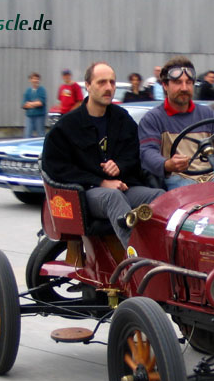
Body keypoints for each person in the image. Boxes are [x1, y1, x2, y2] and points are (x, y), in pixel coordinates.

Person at [42, 62, 164, 249]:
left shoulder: (122, 118)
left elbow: (135, 154)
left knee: (160, 197)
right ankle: (138, 258)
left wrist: (120, 166)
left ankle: (166, 252)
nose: (108, 87)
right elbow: (56, 168)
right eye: (101, 82)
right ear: (88, 85)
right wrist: (100, 182)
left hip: (124, 186)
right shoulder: (66, 126)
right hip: (86, 194)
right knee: (112, 197)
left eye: (112, 82)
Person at [138, 56, 214, 190]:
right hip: (176, 180)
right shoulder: (153, 119)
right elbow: (147, 153)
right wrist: (168, 164)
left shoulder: (208, 114)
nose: (184, 88)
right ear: (165, 85)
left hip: (212, 177)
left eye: (188, 82)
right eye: (178, 82)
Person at [22, 72, 47, 137]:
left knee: (40, 134)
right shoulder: (28, 91)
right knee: (27, 135)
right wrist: (35, 103)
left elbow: (40, 103)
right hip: (29, 116)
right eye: (33, 79)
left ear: (39, 80)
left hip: (39, 116)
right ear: (30, 80)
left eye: (37, 79)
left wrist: (30, 103)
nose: (35, 80)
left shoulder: (42, 90)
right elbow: (24, 105)